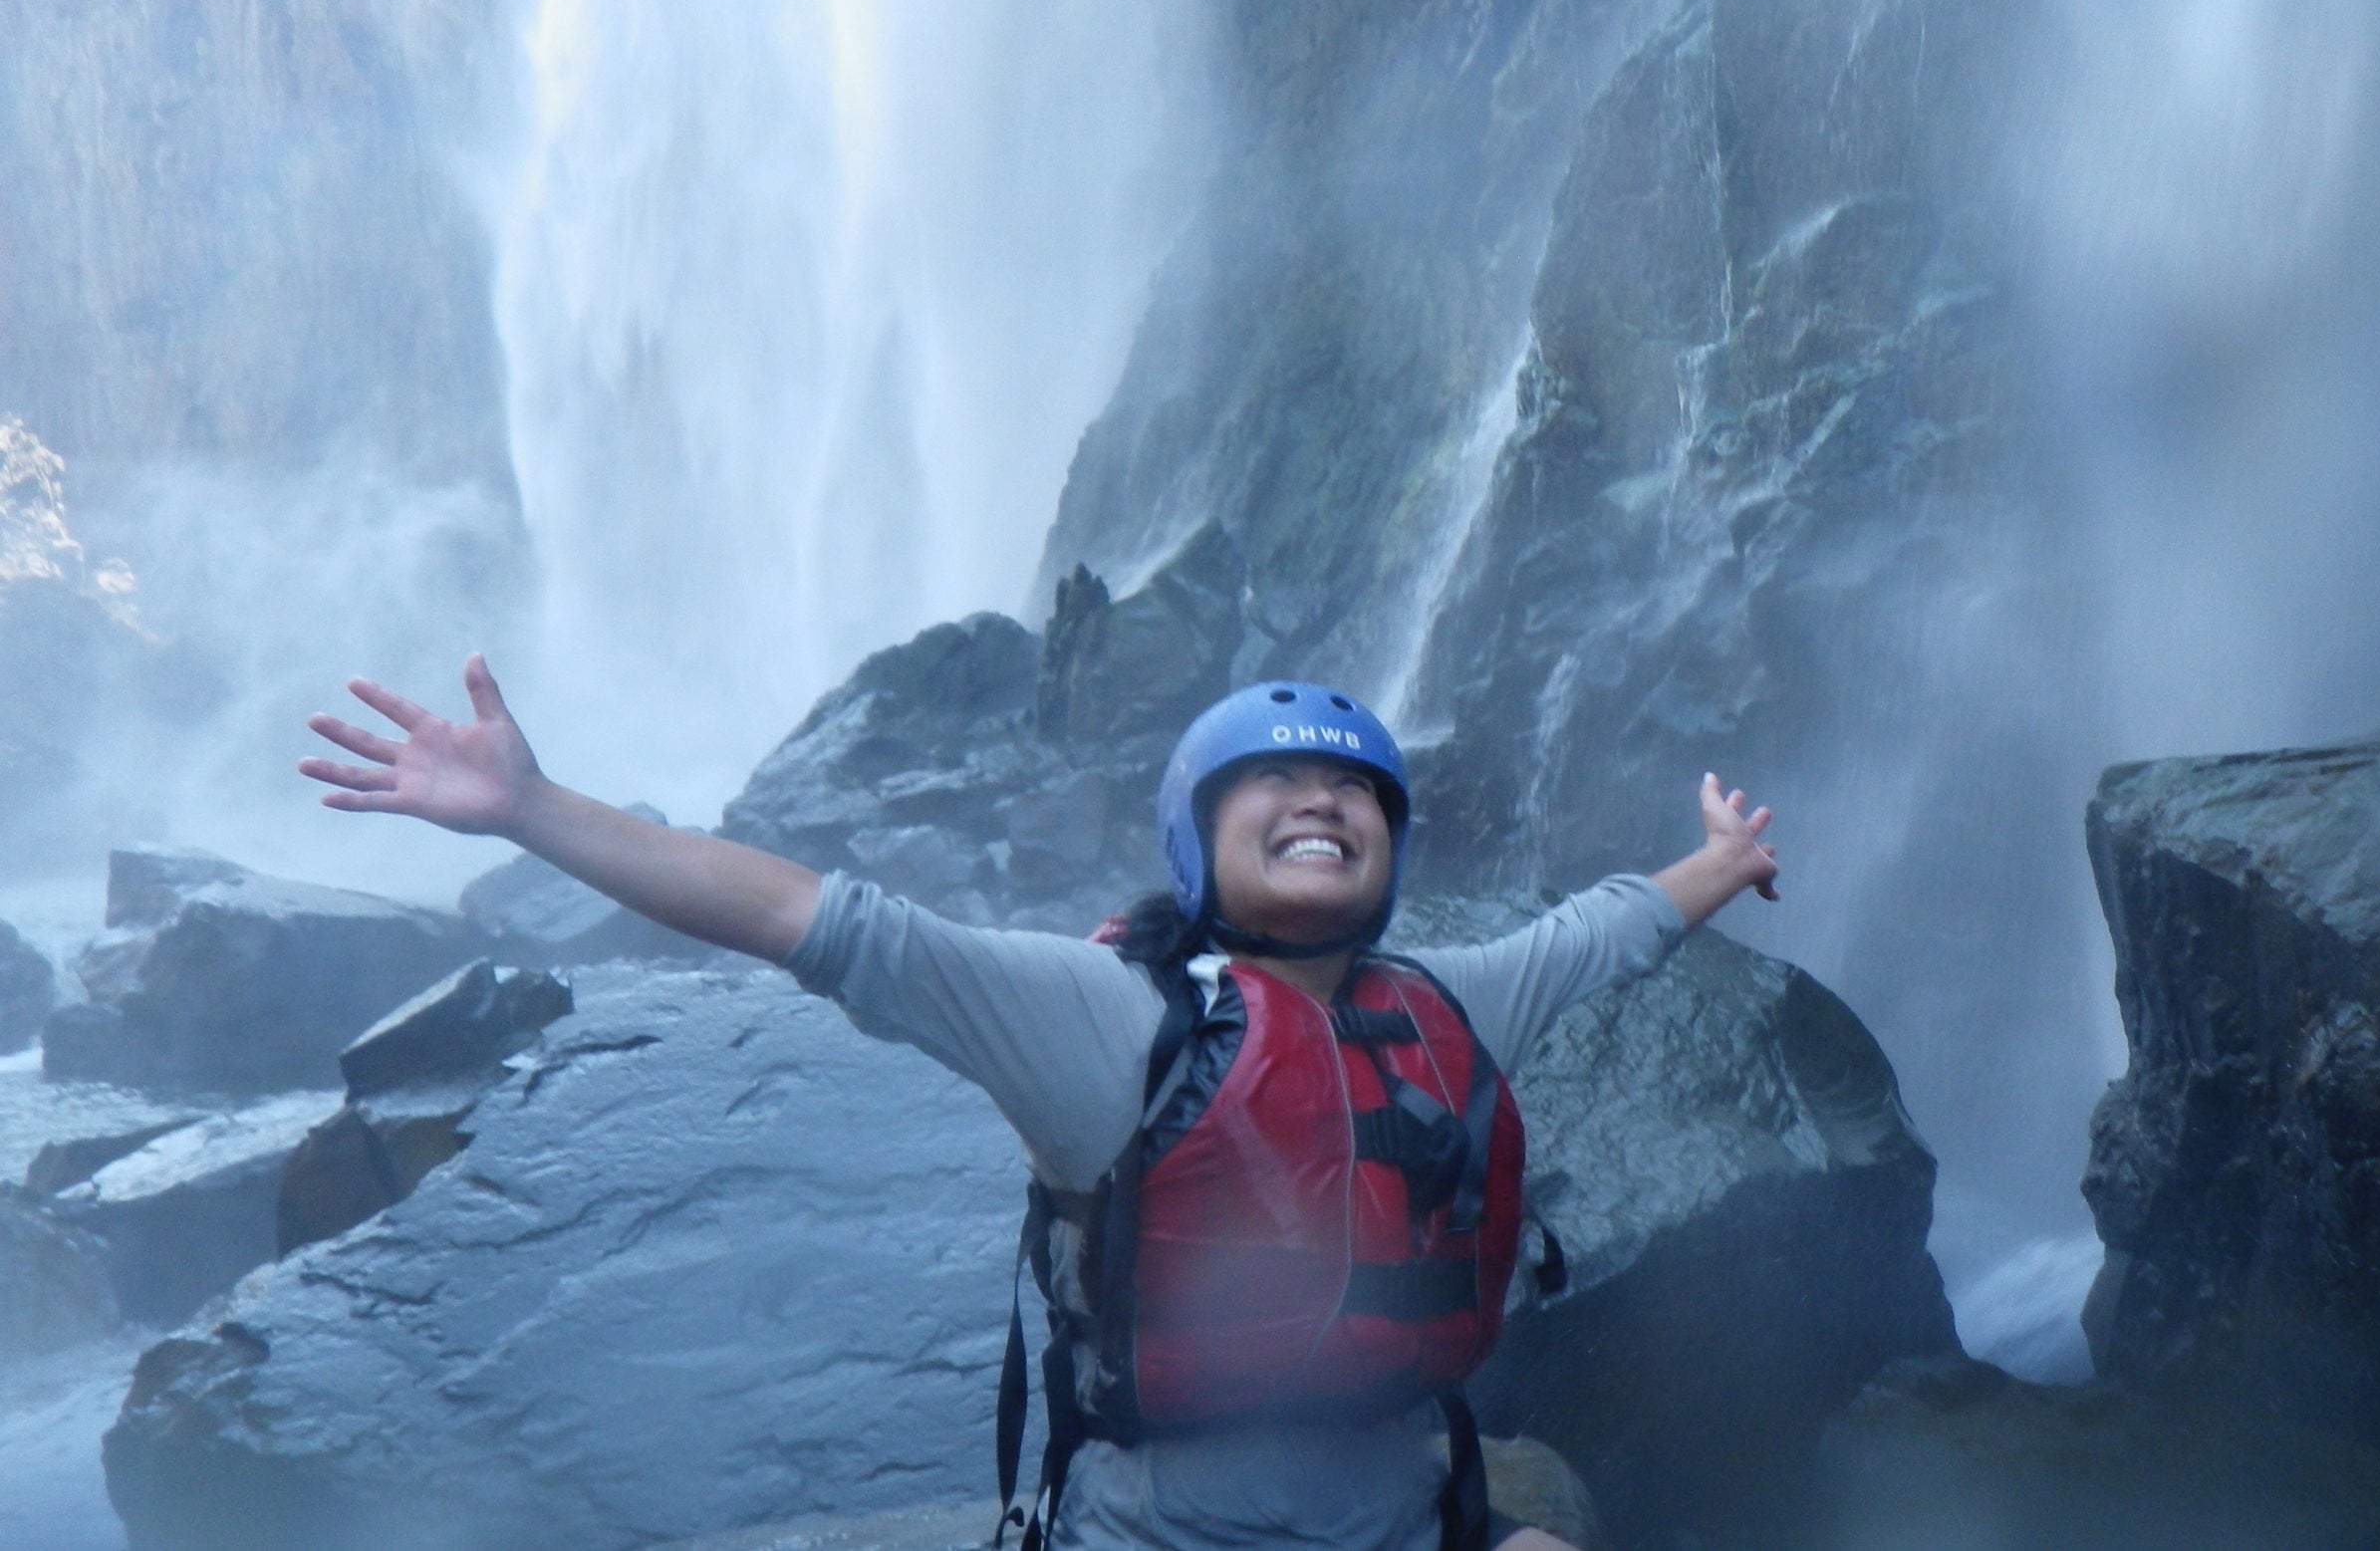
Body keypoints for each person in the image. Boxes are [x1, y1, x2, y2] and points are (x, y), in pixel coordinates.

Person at [302, 656, 1779, 1551]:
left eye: (1355, 792)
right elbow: (824, 923)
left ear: (1392, 845)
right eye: (1270, 783)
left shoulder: (1454, 998)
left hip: (1411, 1514)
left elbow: (1612, 926)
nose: (1321, 802)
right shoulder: (1112, 1018)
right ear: (1198, 840)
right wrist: (532, 808)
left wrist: (1720, 858)